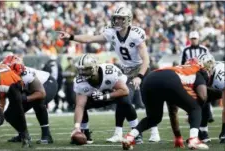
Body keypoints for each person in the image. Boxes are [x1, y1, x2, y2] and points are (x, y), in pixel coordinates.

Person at [57, 6, 150, 143]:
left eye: (121, 18)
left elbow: (146, 59)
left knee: (141, 100)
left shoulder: (136, 34)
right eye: (116, 18)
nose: (117, 21)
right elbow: (90, 39)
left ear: (128, 20)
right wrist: (71, 37)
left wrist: (140, 76)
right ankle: (120, 132)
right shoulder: (111, 32)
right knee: (124, 99)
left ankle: (141, 132)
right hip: (126, 69)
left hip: (140, 68)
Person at [122, 59, 211, 150]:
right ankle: (194, 139)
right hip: (170, 79)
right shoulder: (197, 71)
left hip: (149, 79)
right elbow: (203, 96)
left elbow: (172, 111)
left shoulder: (180, 71)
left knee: (154, 118)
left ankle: (130, 137)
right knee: (195, 108)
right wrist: (195, 111)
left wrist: (178, 137)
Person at [70, 54, 141, 144]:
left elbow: (124, 90)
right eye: (81, 69)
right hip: (102, 94)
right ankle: (84, 132)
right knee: (79, 104)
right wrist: (77, 126)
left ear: (94, 68)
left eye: (86, 69)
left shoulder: (109, 72)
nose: (83, 72)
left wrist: (105, 97)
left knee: (124, 101)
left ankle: (136, 131)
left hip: (122, 88)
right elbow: (80, 106)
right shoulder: (79, 81)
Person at [2, 55, 58, 144]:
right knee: (9, 114)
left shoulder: (26, 74)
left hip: (47, 83)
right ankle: (23, 135)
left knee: (37, 101)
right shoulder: (3, 75)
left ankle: (47, 135)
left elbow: (41, 93)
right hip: (29, 90)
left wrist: (24, 98)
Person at [0, 63, 31, 148]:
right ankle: (25, 136)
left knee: (17, 111)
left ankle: (25, 136)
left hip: (12, 84)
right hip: (13, 83)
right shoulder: (7, 68)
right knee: (19, 111)